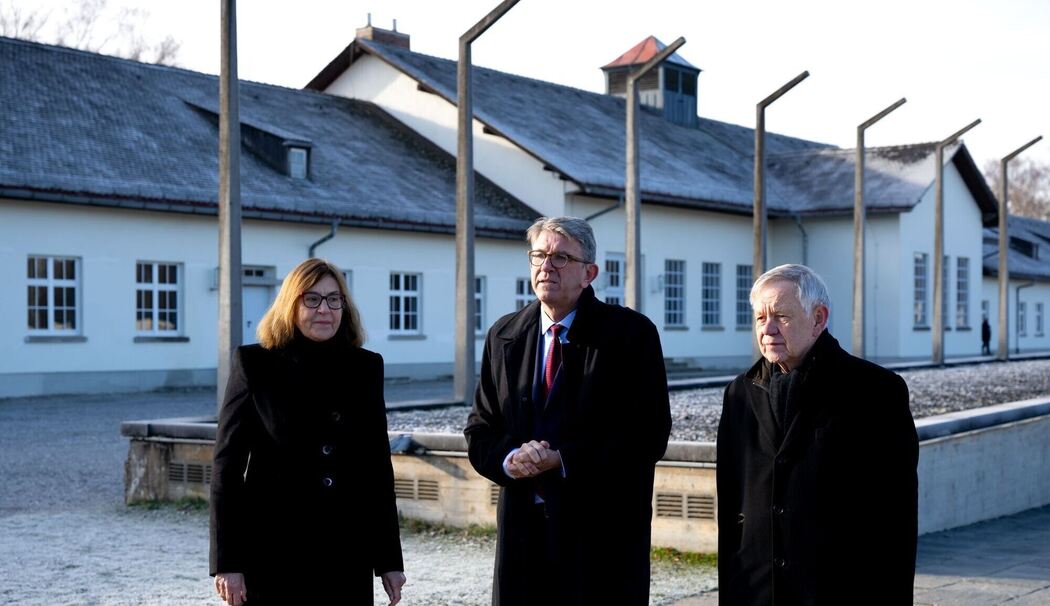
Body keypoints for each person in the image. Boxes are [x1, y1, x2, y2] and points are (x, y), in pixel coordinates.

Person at [465, 216, 672, 606]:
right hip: (523, 535)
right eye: (539, 255)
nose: (546, 266)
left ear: (589, 272)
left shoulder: (630, 335)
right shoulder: (504, 335)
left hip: (600, 536)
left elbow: (648, 433)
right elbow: (480, 429)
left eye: (561, 257)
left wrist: (562, 459)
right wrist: (512, 459)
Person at [716, 264, 918, 605]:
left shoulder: (875, 391)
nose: (768, 328)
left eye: (781, 315)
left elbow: (895, 518)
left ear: (818, 318)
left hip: (840, 589)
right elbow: (732, 508)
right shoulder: (739, 394)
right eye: (760, 318)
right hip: (759, 591)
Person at [210, 258, 406, 605]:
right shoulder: (254, 365)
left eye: (334, 299)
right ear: (291, 304)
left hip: (345, 552)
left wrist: (389, 560)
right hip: (273, 552)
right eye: (311, 299)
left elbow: (377, 469)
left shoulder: (366, 367)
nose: (324, 310)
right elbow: (227, 469)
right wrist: (227, 562)